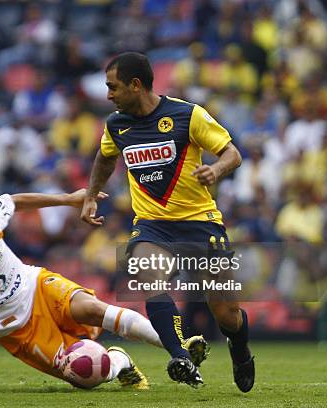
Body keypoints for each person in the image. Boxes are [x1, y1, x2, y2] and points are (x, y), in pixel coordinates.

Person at [0, 189, 208, 391]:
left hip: (34, 286)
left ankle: (177, 349)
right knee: (85, 374)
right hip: (16, 330)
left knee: (92, 309)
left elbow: (15, 201)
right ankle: (120, 361)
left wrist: (69, 199)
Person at [80, 52, 254, 392]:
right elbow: (105, 157)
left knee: (227, 314)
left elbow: (232, 153)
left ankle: (240, 347)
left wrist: (215, 170)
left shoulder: (187, 115)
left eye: (112, 87)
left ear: (135, 84)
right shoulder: (116, 124)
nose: (108, 95)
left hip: (200, 223)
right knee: (148, 276)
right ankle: (179, 356)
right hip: (152, 225)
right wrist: (90, 195)